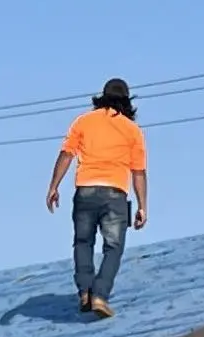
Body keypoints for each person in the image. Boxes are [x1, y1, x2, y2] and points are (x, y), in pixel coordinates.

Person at [46, 78, 147, 317]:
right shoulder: (132, 130)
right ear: (126, 102)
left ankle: (84, 292)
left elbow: (66, 154)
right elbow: (139, 172)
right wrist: (143, 206)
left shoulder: (83, 121)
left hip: (85, 190)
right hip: (115, 193)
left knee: (83, 242)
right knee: (113, 247)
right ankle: (100, 296)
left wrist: (53, 187)